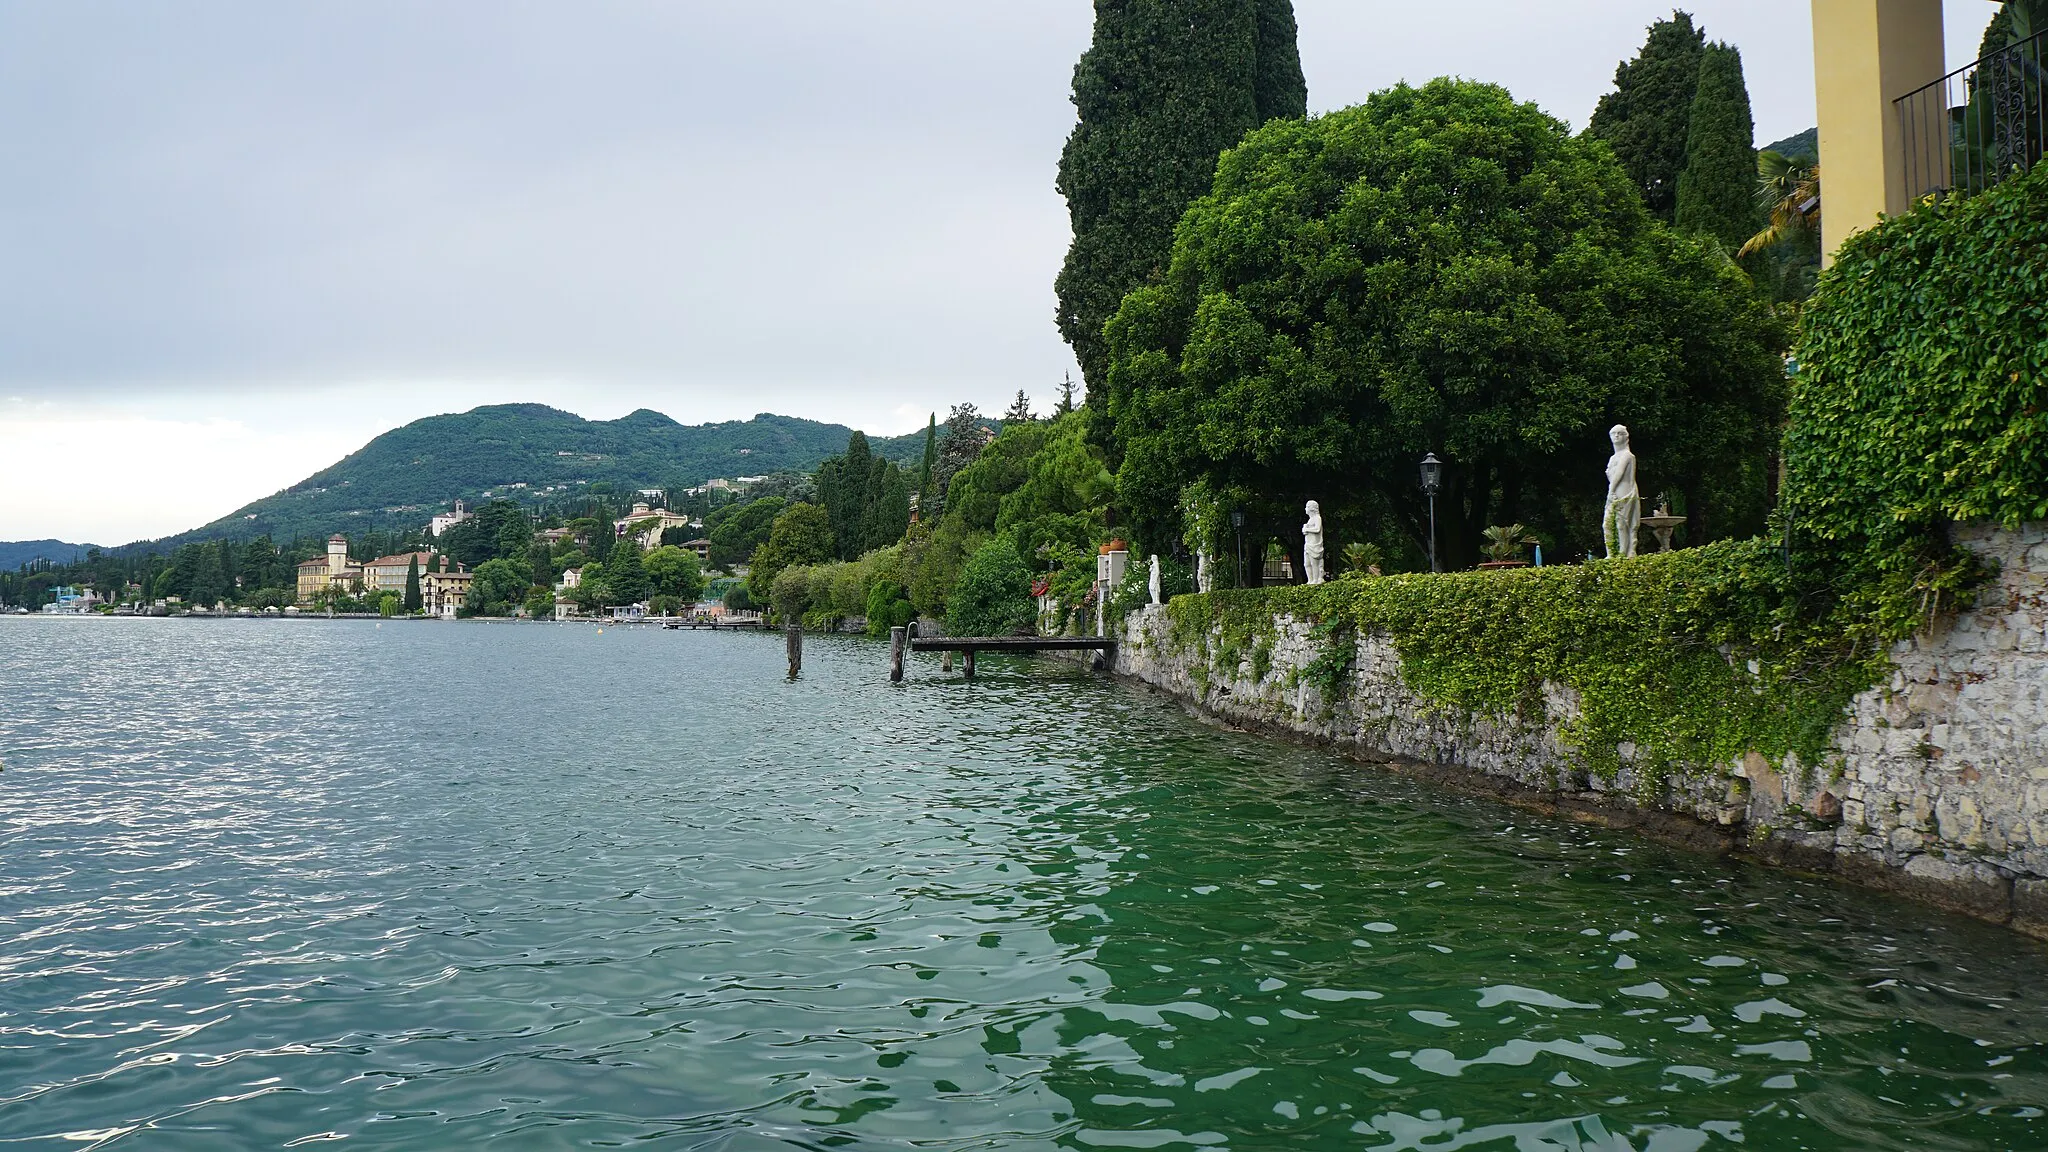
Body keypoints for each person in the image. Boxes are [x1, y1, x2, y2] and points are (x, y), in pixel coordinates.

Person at [1603, 424, 1640, 559]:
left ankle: (1622, 553)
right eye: (1614, 433)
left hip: (1624, 491)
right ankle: (1611, 554)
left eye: (1620, 433)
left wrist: (1610, 490)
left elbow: (1619, 473)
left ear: (1626, 437)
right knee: (1607, 523)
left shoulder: (1628, 455)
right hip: (1613, 492)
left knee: (1622, 523)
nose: (1616, 436)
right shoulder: (1613, 458)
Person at [1302, 500, 1326, 585]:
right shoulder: (1310, 520)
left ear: (1311, 508)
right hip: (1308, 544)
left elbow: (1317, 529)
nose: (1305, 509)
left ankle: (1315, 580)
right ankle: (1310, 580)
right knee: (1306, 564)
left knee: (1314, 564)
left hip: (1314, 545)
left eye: (1307, 507)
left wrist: (1306, 529)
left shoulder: (1317, 518)